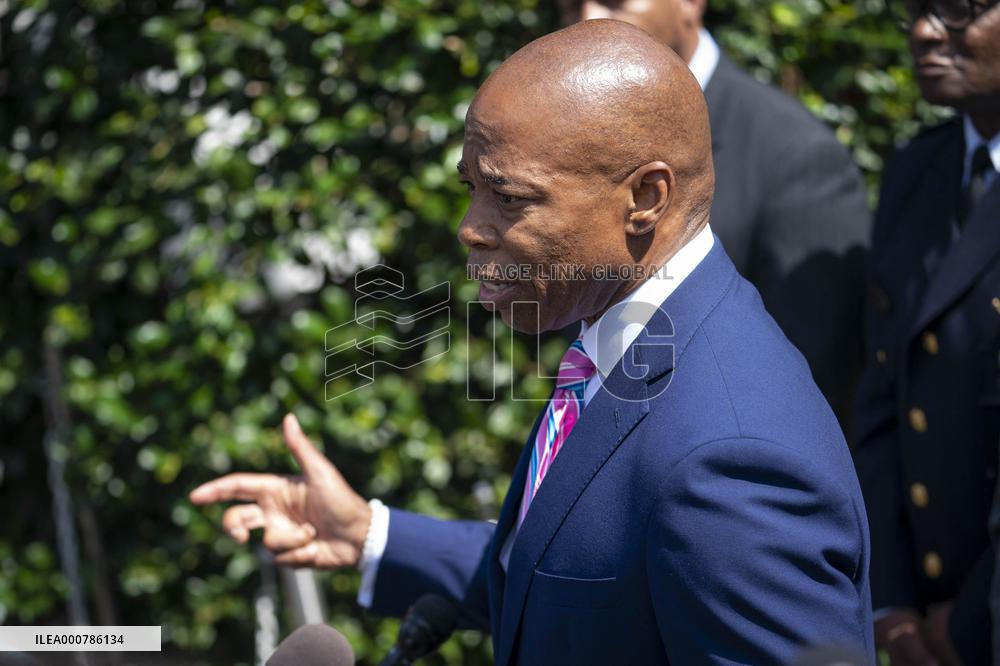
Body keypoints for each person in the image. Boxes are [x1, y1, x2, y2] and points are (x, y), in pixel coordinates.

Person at [191, 20, 873, 664]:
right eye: (471, 188)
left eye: (509, 198)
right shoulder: (634, 342)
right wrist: (370, 536)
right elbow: (582, 577)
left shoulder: (730, 461)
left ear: (646, 198)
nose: (470, 227)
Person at [558, 0, 871, 431]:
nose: (588, 19)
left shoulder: (796, 155)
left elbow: (812, 381)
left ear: (690, 4)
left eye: (615, 1)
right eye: (569, 5)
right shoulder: (568, 140)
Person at [852, 0, 1000, 663]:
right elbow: (886, 390)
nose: (922, 32)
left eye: (962, 9)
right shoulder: (918, 170)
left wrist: (969, 623)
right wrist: (889, 601)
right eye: (916, 8)